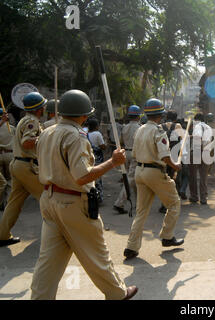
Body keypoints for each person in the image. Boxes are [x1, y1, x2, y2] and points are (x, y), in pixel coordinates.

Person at [30, 89, 138, 300]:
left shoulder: (47, 132)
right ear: (84, 115)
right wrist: (113, 162)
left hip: (49, 199)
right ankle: (117, 293)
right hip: (73, 202)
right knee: (97, 254)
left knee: (48, 261)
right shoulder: (75, 135)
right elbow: (82, 176)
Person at [123, 98, 184, 260]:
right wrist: (175, 165)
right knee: (174, 203)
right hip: (154, 172)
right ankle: (167, 236)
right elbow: (164, 155)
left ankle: (131, 246)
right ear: (161, 115)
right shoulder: (158, 131)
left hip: (139, 171)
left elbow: (135, 154)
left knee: (141, 212)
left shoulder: (140, 129)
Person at [0, 92, 46, 247]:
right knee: (48, 199)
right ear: (39, 108)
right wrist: (45, 138)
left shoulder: (24, 120)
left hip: (18, 164)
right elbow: (27, 142)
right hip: (27, 166)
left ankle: (3, 235)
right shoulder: (32, 121)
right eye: (43, 105)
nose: (45, 107)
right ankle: (57, 234)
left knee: (14, 202)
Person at [113, 105, 141, 215]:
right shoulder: (139, 128)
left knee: (133, 179)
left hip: (126, 152)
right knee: (130, 179)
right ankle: (119, 203)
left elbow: (120, 141)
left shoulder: (125, 127)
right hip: (135, 153)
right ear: (138, 116)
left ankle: (139, 203)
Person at [159, 110, 183, 213]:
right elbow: (182, 139)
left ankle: (164, 204)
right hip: (174, 156)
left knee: (164, 180)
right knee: (173, 180)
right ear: (175, 118)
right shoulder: (177, 126)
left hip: (162, 156)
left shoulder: (160, 126)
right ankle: (171, 203)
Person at [189, 112, 212, 204]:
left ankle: (194, 196)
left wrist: (189, 137)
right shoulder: (208, 127)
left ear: (196, 120)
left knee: (193, 176)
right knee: (203, 177)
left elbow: (198, 137)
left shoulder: (198, 126)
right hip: (207, 152)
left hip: (197, 151)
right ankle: (203, 198)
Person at [87, 118, 106, 203]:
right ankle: (98, 197)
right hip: (98, 158)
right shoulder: (97, 134)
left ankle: (91, 196)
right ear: (96, 126)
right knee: (98, 178)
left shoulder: (86, 134)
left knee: (91, 178)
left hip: (89, 158)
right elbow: (102, 146)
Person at [0, 109, 15, 209]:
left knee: (1, 181)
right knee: (9, 180)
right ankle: (8, 202)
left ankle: (1, 202)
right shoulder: (12, 128)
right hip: (10, 154)